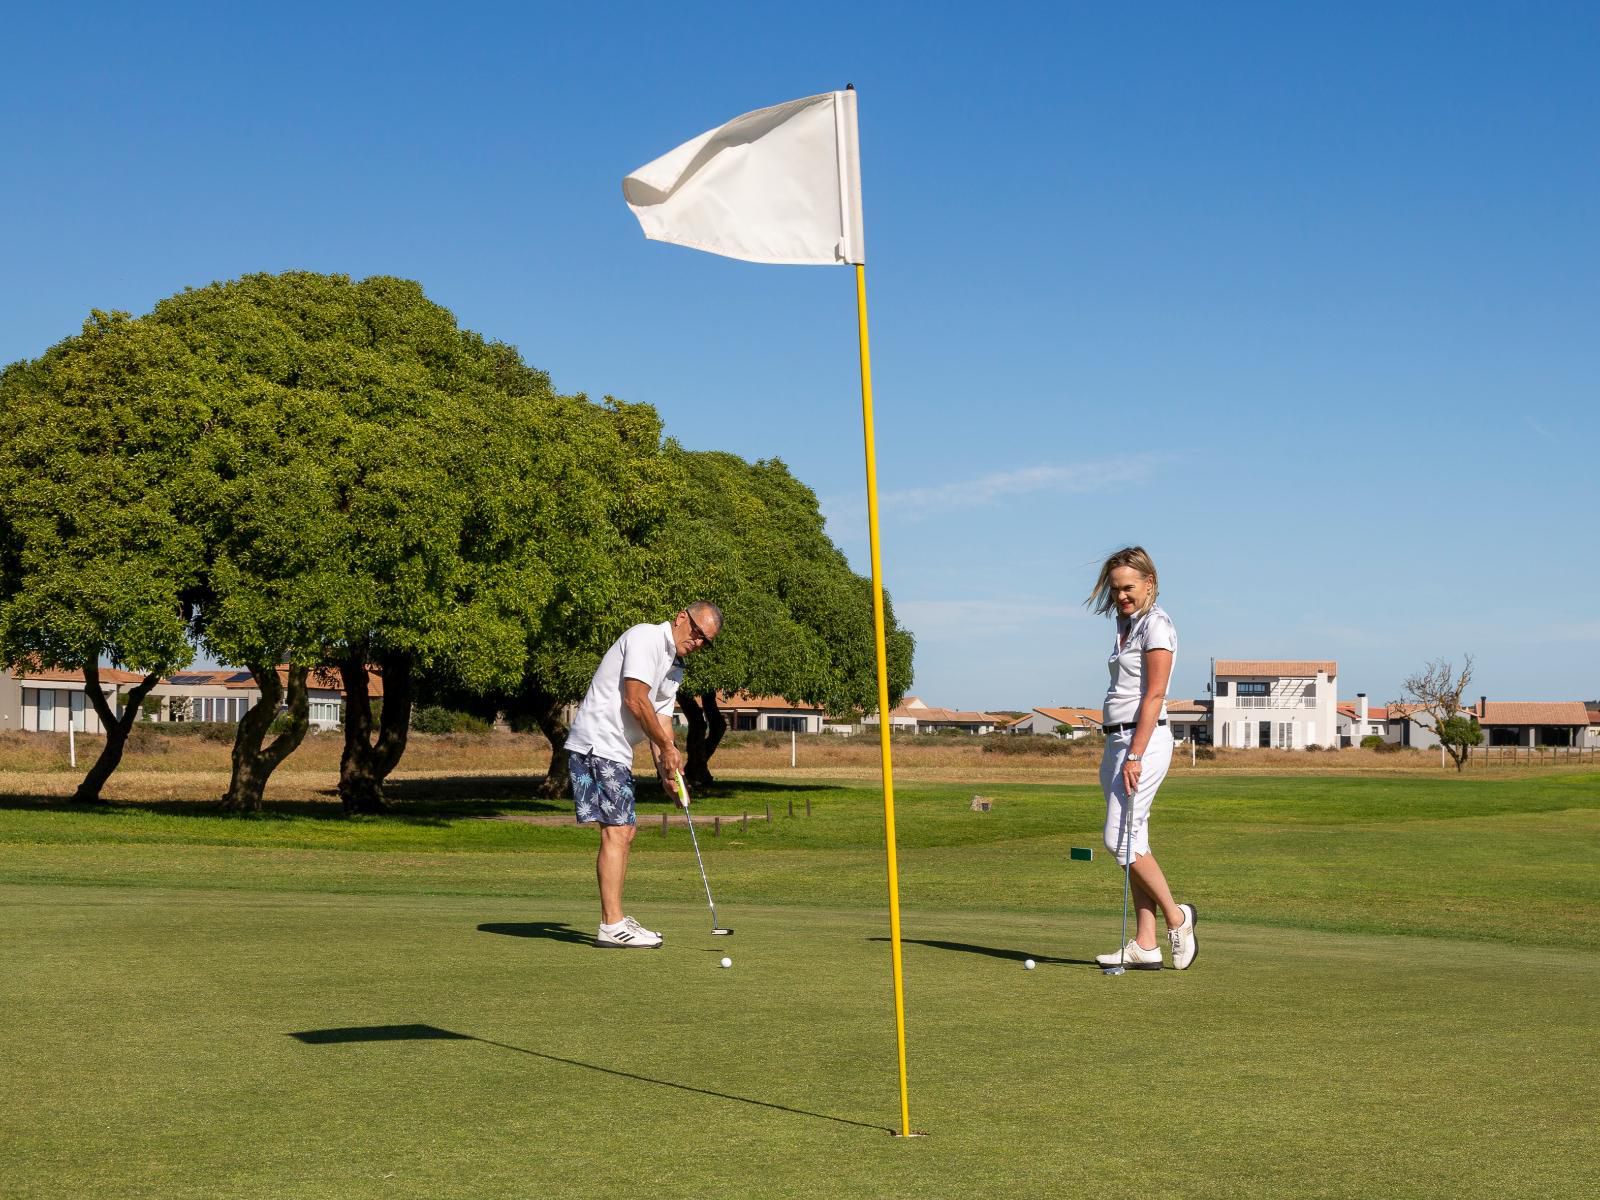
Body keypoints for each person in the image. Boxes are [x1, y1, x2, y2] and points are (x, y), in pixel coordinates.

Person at [565, 603, 722, 948]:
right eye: (696, 632)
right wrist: (667, 748)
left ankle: (616, 919)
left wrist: (666, 771)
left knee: (625, 830)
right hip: (597, 743)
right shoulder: (646, 638)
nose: (697, 642)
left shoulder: (674, 667)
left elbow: (661, 721)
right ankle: (611, 924)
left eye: (705, 641)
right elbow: (636, 700)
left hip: (615, 749)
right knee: (618, 831)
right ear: (682, 617)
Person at [1087, 547, 1198, 970]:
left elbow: (1154, 695)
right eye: (1115, 589)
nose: (1121, 596)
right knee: (1134, 842)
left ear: (1149, 583)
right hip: (1118, 741)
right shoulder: (1127, 625)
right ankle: (1145, 943)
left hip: (1143, 743)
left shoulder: (1157, 626)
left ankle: (1177, 916)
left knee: (1119, 839)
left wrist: (1135, 754)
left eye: (1128, 587)